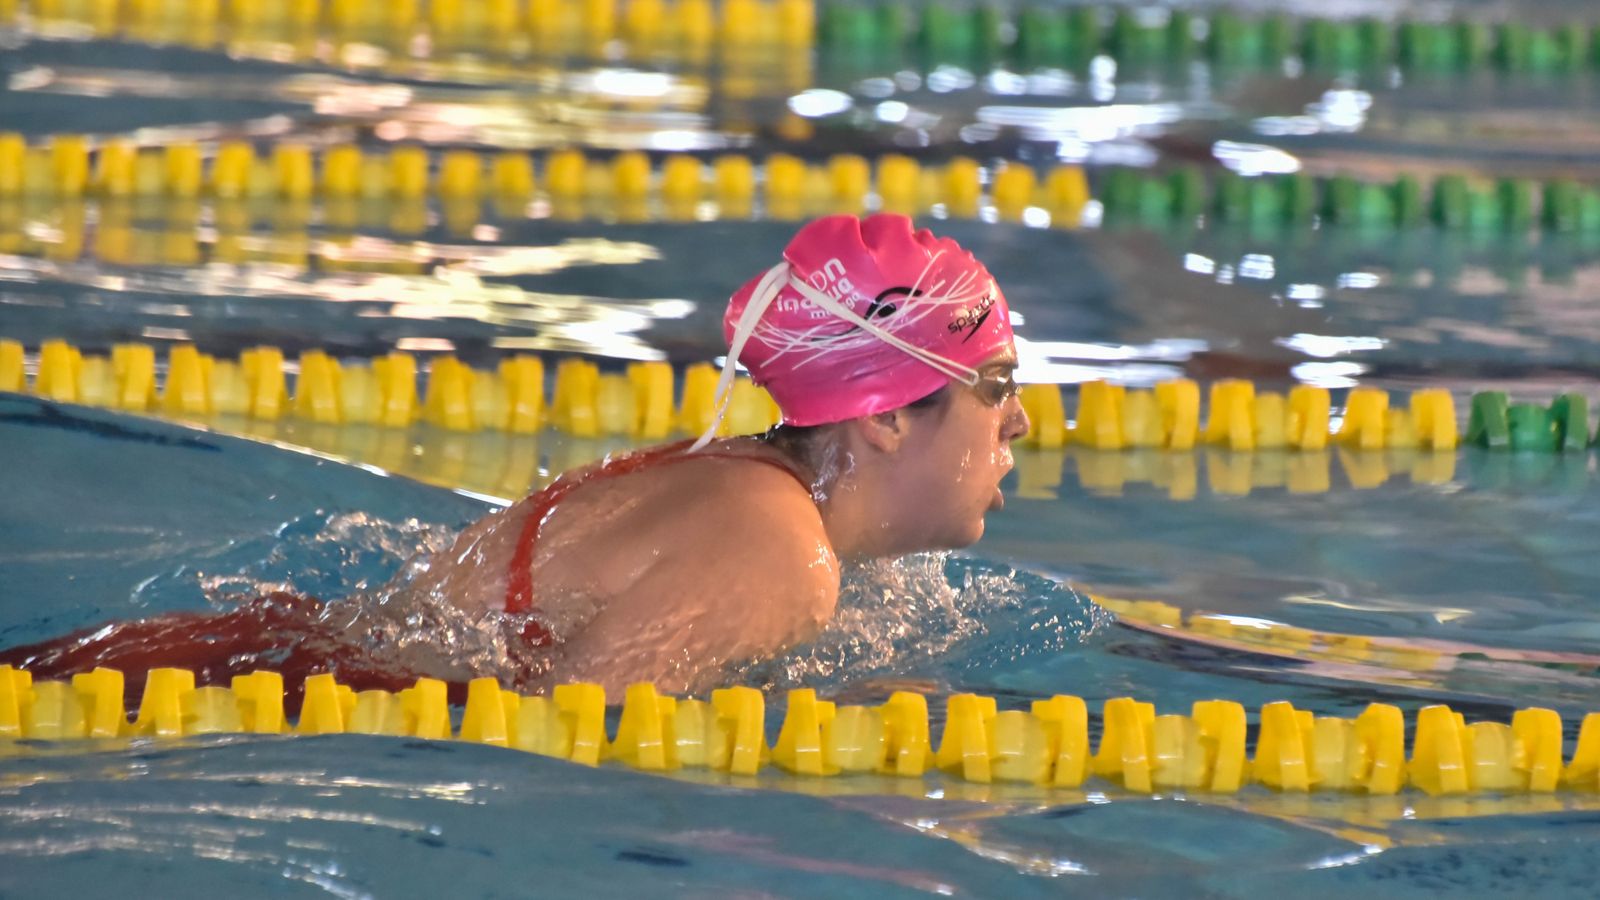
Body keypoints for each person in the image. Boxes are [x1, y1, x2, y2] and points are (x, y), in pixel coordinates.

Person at [0, 213, 1029, 700]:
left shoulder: (744, 495)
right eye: (997, 387)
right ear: (886, 416)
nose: (1018, 424)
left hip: (243, 661)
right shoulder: (777, 554)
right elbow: (560, 743)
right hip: (236, 694)